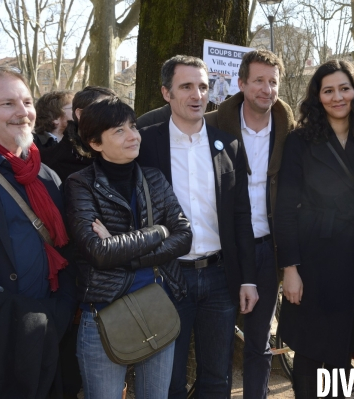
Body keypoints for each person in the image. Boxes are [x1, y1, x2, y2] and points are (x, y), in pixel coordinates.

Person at [137, 55, 257, 399]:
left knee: (217, 377)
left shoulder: (229, 145)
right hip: (166, 278)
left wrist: (247, 277)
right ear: (166, 93)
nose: (197, 94)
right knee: (167, 378)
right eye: (186, 86)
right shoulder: (145, 145)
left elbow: (241, 217)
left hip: (220, 278)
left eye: (203, 86)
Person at [63, 97, 193, 398]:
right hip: (105, 312)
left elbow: (184, 236)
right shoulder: (79, 184)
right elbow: (99, 252)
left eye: (133, 127)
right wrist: (158, 231)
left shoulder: (154, 178)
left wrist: (131, 255)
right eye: (119, 131)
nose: (133, 136)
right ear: (95, 143)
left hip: (158, 304)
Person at [273, 59, 354, 397]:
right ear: (318, 97)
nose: (337, 97)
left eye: (344, 88)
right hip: (312, 258)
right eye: (328, 90)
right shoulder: (300, 141)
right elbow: (285, 208)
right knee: (309, 352)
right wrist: (290, 268)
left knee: (343, 352)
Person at [0, 66, 76, 397]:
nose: (23, 112)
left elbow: (67, 249)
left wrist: (60, 309)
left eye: (27, 101)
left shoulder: (46, 174)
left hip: (49, 331)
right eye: (7, 104)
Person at [205, 49, 295, 399]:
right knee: (219, 340)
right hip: (222, 249)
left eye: (273, 81)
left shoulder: (291, 134)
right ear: (241, 83)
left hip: (266, 250)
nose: (266, 89)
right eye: (258, 80)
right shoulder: (211, 126)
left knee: (259, 341)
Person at [40, 86, 117, 182]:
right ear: (80, 114)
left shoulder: (128, 151)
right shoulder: (50, 162)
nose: (114, 116)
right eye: (104, 110)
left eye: (116, 110)